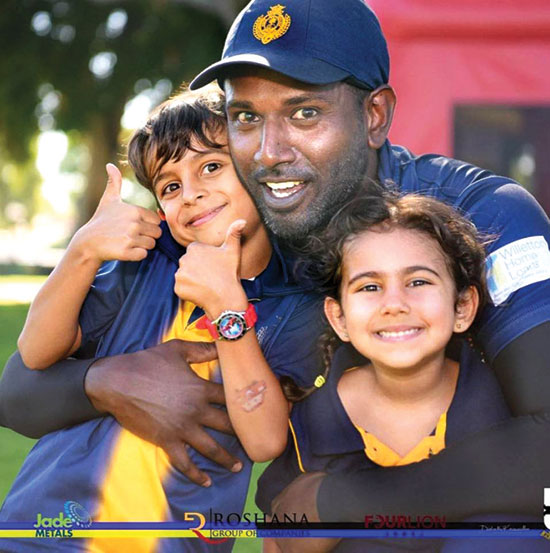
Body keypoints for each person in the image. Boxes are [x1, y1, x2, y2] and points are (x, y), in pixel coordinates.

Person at [2, 0, 549, 531]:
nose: (268, 151)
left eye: (304, 112)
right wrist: (110, 380)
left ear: (375, 115)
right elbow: (20, 391)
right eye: (246, 117)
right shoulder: (229, 222)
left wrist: (340, 501)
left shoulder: (484, 214)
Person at [0, 85, 323, 553]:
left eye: (211, 167)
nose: (191, 194)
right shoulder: (144, 267)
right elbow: (36, 352)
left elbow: (264, 441)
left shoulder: (295, 301)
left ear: (257, 170)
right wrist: (83, 250)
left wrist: (226, 308)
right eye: (170, 186)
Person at [258, 194, 548, 553]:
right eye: (369, 287)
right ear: (339, 318)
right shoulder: (314, 418)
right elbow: (281, 531)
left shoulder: (497, 403)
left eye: (418, 282)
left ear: (462, 307)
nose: (394, 304)